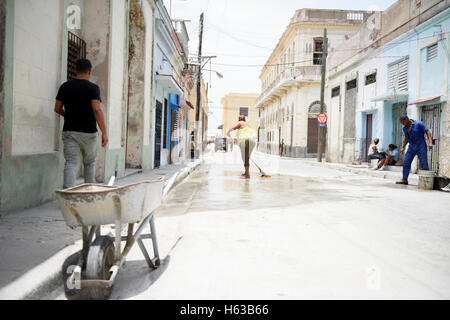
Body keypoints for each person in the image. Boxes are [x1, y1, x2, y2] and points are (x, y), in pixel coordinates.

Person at [54, 59, 108, 189]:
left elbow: (57, 108)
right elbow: (96, 109)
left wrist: (68, 115)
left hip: (70, 131)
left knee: (71, 163)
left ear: (75, 70)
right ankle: (89, 192)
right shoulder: (93, 88)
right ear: (89, 72)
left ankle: (68, 196)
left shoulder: (65, 86)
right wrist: (104, 132)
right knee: (89, 163)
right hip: (89, 133)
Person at [396, 116, 433, 185]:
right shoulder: (404, 128)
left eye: (403, 122)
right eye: (401, 123)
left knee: (423, 163)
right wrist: (403, 147)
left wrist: (430, 142)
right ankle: (404, 179)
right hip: (411, 147)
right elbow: (406, 138)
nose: (403, 124)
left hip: (421, 146)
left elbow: (427, 132)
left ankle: (426, 181)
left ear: (407, 119)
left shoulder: (418, 124)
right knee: (406, 162)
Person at [226, 115, 256, 179]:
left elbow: (232, 128)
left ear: (239, 119)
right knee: (245, 158)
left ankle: (247, 174)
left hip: (245, 140)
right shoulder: (247, 125)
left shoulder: (240, 123)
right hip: (252, 141)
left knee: (245, 158)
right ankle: (246, 172)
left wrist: (228, 132)